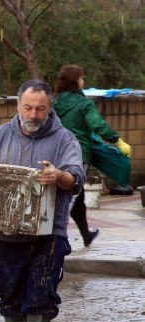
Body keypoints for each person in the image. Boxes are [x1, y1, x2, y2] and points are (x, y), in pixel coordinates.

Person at [0, 79, 84, 322]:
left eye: (40, 109)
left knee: (41, 294)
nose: (34, 114)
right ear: (17, 105)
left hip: (49, 234)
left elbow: (76, 177)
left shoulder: (65, 139)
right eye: (28, 107)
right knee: (9, 294)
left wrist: (59, 175)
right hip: (4, 233)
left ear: (49, 108)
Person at [53, 64, 132, 246]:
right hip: (77, 156)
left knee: (75, 197)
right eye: (81, 77)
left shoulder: (54, 102)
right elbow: (97, 125)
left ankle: (86, 235)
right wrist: (117, 140)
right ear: (75, 81)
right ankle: (57, 240)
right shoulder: (84, 104)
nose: (84, 80)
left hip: (55, 155)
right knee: (70, 199)